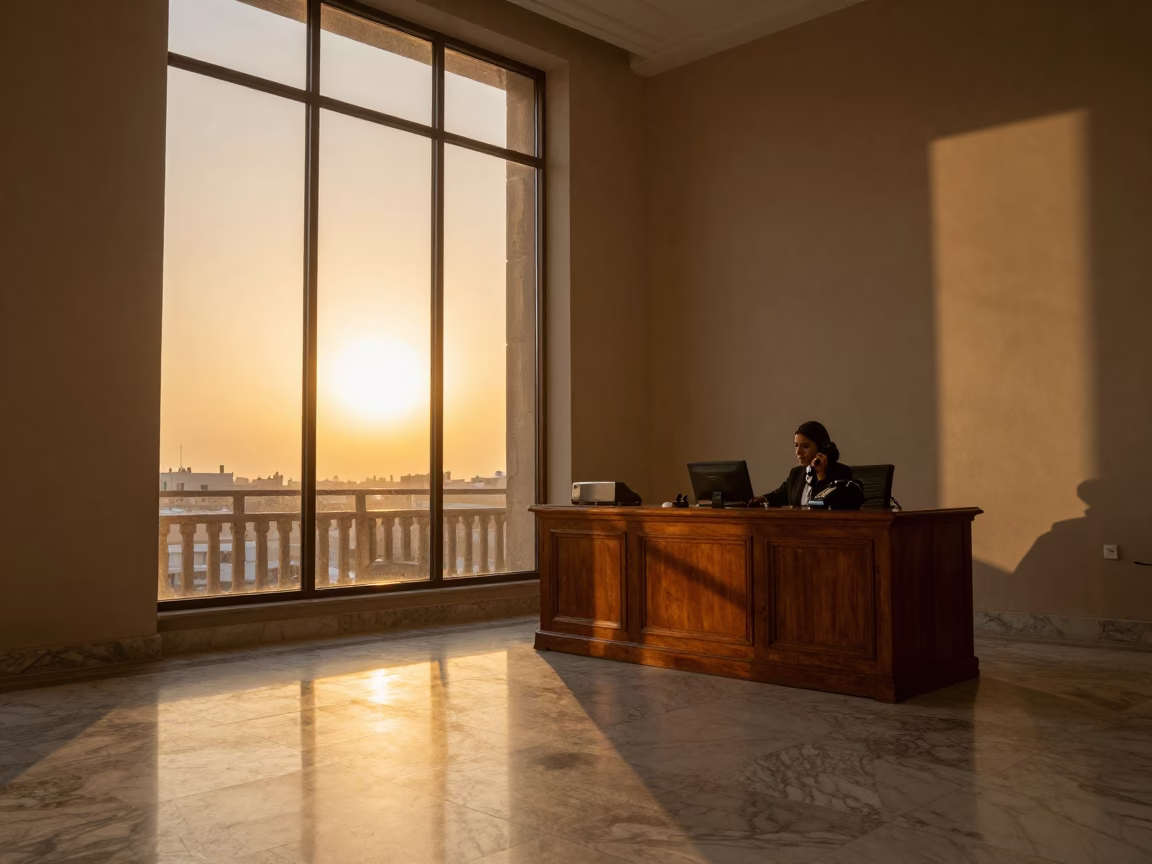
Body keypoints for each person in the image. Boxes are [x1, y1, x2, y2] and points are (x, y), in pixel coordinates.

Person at [749, 421, 852, 507]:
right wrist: (762, 499)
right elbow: (781, 495)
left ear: (821, 448)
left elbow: (826, 505)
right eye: (796, 446)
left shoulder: (841, 473)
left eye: (805, 447)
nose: (798, 452)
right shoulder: (796, 473)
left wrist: (821, 478)